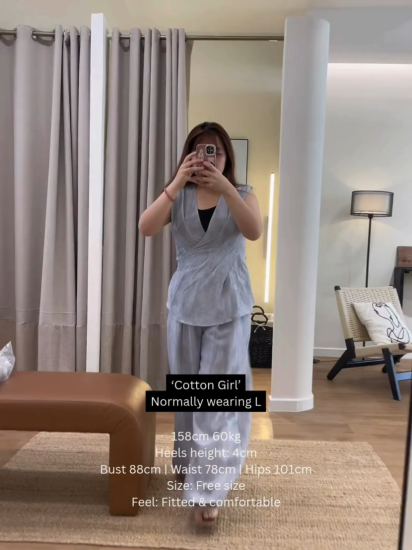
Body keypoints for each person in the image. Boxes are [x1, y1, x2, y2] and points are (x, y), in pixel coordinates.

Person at [139, 121, 263, 526]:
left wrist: (226, 188)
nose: (208, 157)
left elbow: (254, 231)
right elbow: (145, 227)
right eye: (200, 150)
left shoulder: (243, 193)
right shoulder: (178, 195)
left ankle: (207, 490)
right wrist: (177, 181)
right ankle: (188, 462)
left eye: (216, 151)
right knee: (188, 393)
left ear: (227, 157)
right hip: (185, 305)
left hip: (228, 305)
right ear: (188, 154)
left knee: (215, 400)